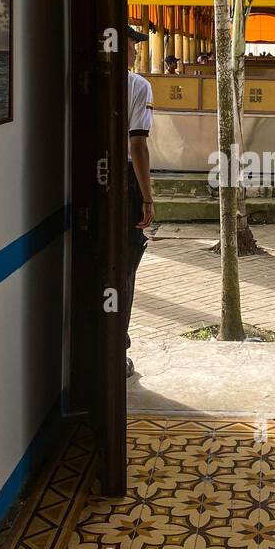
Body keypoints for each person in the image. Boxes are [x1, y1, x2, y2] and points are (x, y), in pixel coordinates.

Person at [124, 26, 155, 377]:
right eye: (133, 45)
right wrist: (147, 198)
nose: (135, 52)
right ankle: (118, 347)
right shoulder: (137, 85)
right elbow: (137, 145)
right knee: (126, 262)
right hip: (124, 180)